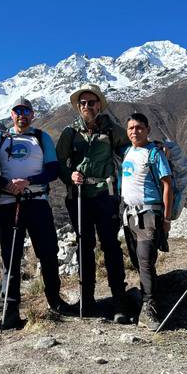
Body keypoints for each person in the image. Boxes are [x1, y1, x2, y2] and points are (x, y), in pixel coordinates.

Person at [0, 97, 70, 329]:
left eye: (26, 111)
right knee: (11, 256)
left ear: (32, 115)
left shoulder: (40, 137)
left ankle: (54, 301)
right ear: (11, 115)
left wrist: (28, 181)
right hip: (8, 202)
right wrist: (6, 184)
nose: (22, 115)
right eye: (17, 111)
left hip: (37, 201)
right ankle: (10, 310)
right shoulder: (0, 138)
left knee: (48, 253)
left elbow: (53, 169)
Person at [56, 83, 129, 322]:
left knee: (110, 246)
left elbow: (131, 148)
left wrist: (155, 148)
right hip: (78, 197)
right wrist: (70, 176)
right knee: (84, 247)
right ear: (79, 106)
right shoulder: (70, 133)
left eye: (91, 102)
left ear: (99, 105)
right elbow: (58, 163)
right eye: (83, 103)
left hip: (105, 194)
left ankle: (119, 300)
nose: (87, 106)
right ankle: (87, 301)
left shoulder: (112, 130)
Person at [121, 113, 173, 330]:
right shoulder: (127, 152)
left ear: (148, 129)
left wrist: (167, 218)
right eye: (131, 128)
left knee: (145, 260)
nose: (135, 131)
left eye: (139, 127)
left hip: (149, 215)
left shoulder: (154, 154)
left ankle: (150, 308)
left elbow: (167, 185)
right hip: (129, 215)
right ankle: (146, 299)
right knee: (137, 260)